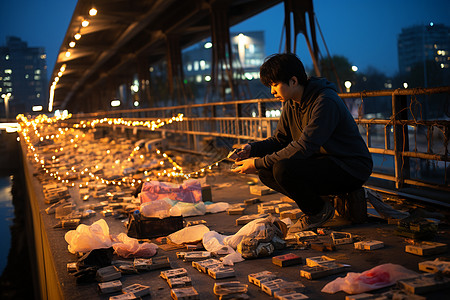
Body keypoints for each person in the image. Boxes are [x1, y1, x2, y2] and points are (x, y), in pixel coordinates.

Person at [231, 53, 373, 232]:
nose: (272, 91)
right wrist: (252, 149)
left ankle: (317, 212)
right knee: (265, 172)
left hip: (350, 166)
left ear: (293, 81)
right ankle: (321, 204)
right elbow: (280, 139)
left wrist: (258, 162)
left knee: (282, 169)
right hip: (324, 162)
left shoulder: (324, 101)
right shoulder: (291, 103)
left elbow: (305, 146)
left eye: (275, 85)